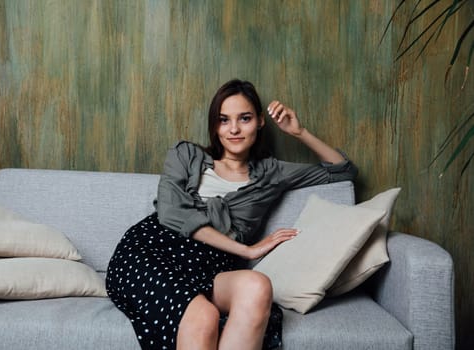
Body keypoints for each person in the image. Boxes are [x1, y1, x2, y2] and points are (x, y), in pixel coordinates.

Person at [106, 79, 358, 350]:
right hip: (153, 250)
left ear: (260, 121)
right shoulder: (185, 155)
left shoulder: (271, 173)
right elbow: (170, 213)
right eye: (224, 120)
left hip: (212, 266)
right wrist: (246, 250)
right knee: (204, 317)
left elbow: (343, 171)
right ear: (215, 125)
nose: (234, 129)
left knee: (257, 286)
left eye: (244, 118)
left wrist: (299, 132)